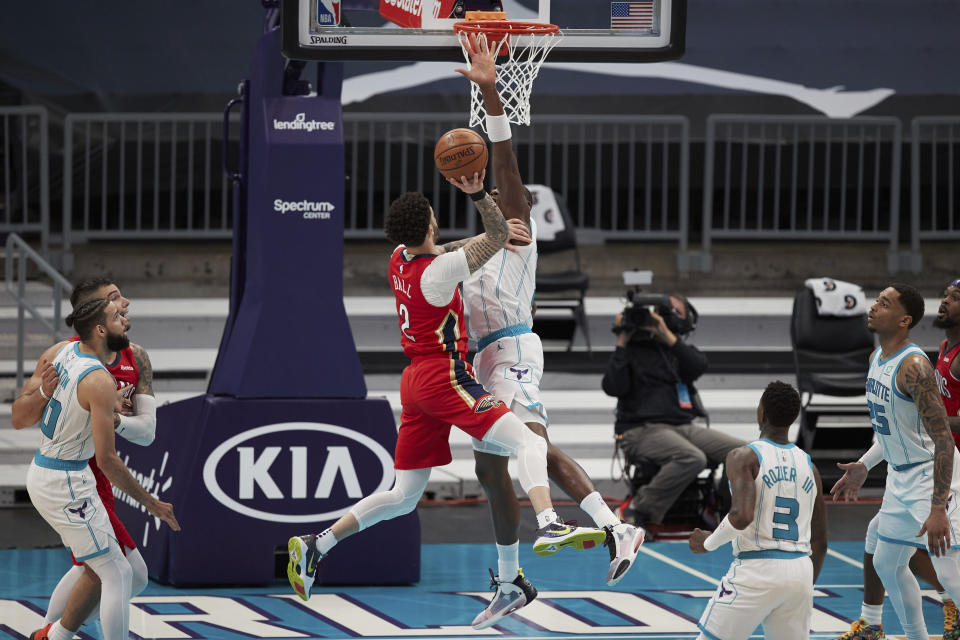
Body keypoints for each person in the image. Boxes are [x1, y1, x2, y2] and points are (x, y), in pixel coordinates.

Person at [285, 169, 604, 604]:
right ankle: (549, 522)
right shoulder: (438, 272)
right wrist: (477, 195)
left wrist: (479, 237)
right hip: (444, 376)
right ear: (430, 225)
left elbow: (457, 248)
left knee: (402, 496)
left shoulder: (399, 257)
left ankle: (315, 545)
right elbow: (490, 239)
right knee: (528, 442)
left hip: (414, 382)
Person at [453, 34, 645, 630]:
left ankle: (605, 526)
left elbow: (506, 163)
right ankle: (511, 579)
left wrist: (488, 89)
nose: (514, 198)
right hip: (485, 358)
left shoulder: (518, 229)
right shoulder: (475, 246)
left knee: (531, 440)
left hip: (514, 345)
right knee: (490, 469)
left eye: (519, 199)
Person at [22, 298, 178, 640]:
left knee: (112, 570)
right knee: (118, 573)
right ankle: (54, 634)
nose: (126, 319)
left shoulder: (64, 353)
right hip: (65, 480)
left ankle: (54, 634)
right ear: (100, 328)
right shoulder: (100, 381)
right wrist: (151, 502)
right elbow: (107, 461)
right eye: (117, 315)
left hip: (54, 471)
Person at [830, 279, 960, 640]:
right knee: (886, 562)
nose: (874, 307)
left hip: (933, 477)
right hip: (900, 480)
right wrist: (864, 465)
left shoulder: (914, 367)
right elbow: (892, 431)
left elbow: (944, 442)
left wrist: (937, 507)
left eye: (884, 303)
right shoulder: (877, 358)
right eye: (876, 301)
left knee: (949, 574)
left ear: (904, 320)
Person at [689, 381, 828, 640]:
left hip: (757, 568)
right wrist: (802, 585)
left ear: (761, 413)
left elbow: (742, 516)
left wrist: (706, 543)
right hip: (801, 570)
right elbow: (820, 542)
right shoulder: (811, 468)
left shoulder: (744, 457)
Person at [602, 295, 745, 533]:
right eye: (666, 309)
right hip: (639, 430)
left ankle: (730, 511)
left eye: (676, 311)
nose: (668, 314)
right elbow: (612, 387)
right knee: (692, 457)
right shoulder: (631, 349)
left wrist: (666, 336)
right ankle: (639, 509)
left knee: (744, 453)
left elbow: (698, 365)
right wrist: (622, 340)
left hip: (683, 428)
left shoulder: (676, 351)